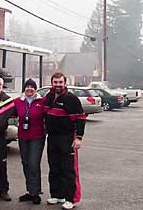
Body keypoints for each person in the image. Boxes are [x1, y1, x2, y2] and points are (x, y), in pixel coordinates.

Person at [44, 72, 86, 210]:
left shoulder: (71, 99)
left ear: (65, 83)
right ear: (52, 83)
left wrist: (79, 138)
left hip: (67, 138)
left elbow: (80, 118)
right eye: (55, 82)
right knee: (54, 167)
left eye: (60, 82)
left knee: (68, 170)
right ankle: (57, 195)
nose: (58, 85)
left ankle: (70, 199)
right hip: (52, 138)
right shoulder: (49, 97)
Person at [14, 78, 46, 205]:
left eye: (32, 87)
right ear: (24, 89)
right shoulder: (18, 101)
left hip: (37, 137)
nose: (29, 89)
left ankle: (36, 192)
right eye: (27, 87)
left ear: (35, 89)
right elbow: (8, 113)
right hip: (23, 136)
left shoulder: (42, 101)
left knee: (33, 163)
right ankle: (30, 191)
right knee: (25, 163)